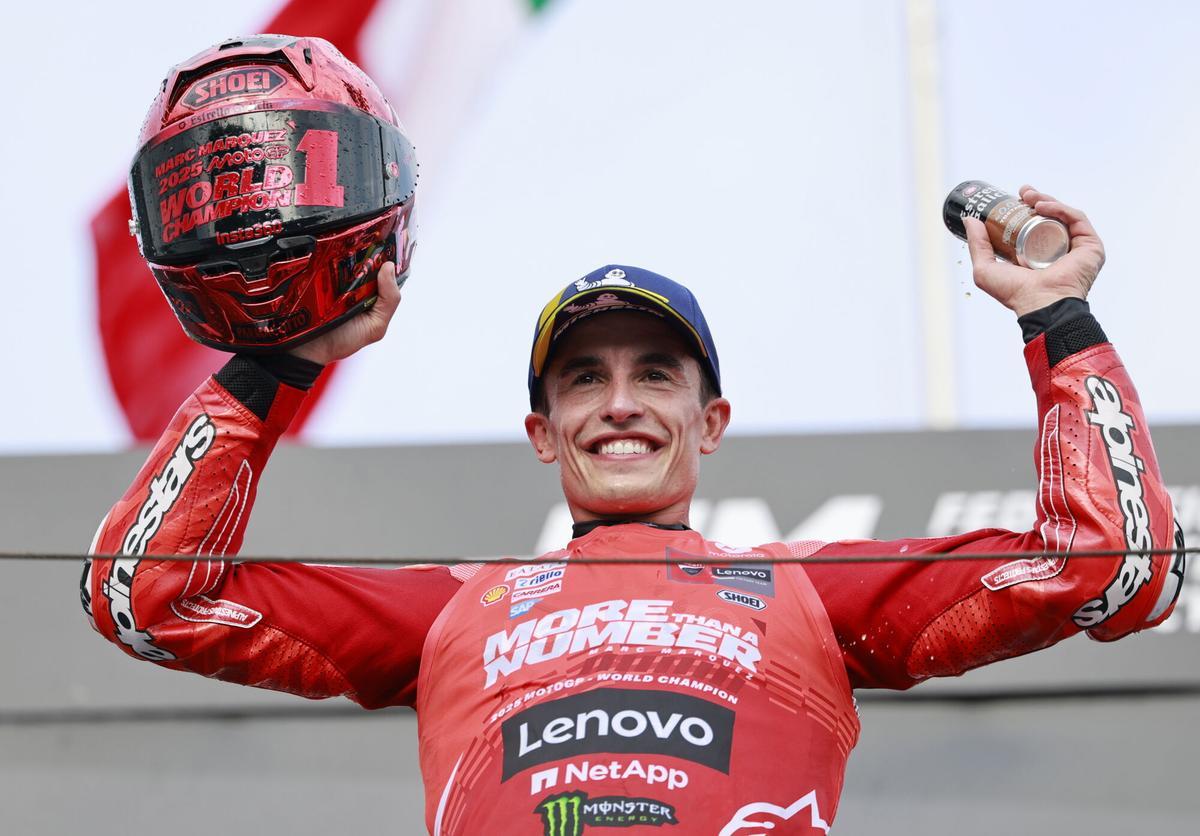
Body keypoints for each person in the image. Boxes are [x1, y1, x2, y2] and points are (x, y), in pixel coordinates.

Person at [82, 188, 1185, 834]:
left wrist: (1056, 315)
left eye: (656, 373)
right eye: (583, 379)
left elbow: (1112, 565)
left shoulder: (806, 590)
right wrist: (274, 365)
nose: (619, 403)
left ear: (710, 423)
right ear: (542, 432)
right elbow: (146, 592)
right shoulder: (457, 605)